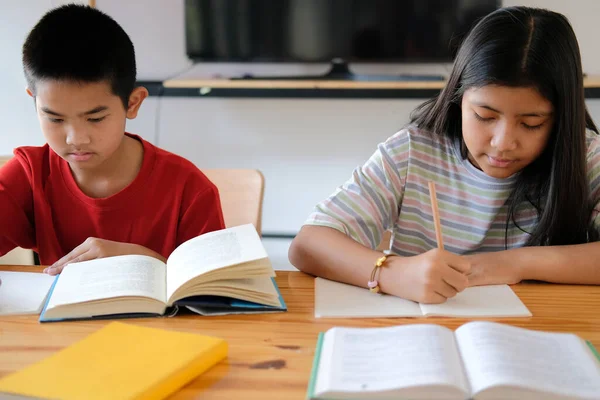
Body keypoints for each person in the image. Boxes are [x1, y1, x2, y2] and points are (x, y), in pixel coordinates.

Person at [289, 6, 600, 304]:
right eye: (484, 116)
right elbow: (308, 245)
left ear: (562, 117)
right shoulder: (413, 153)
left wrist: (513, 264)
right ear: (458, 99)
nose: (503, 143)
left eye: (532, 123)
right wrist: (391, 273)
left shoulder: (586, 156)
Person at [0, 5, 224, 275]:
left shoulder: (189, 190)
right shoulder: (29, 176)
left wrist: (144, 262)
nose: (75, 138)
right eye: (55, 119)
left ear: (132, 103)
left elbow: (213, 292)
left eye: (95, 119)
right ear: (34, 103)